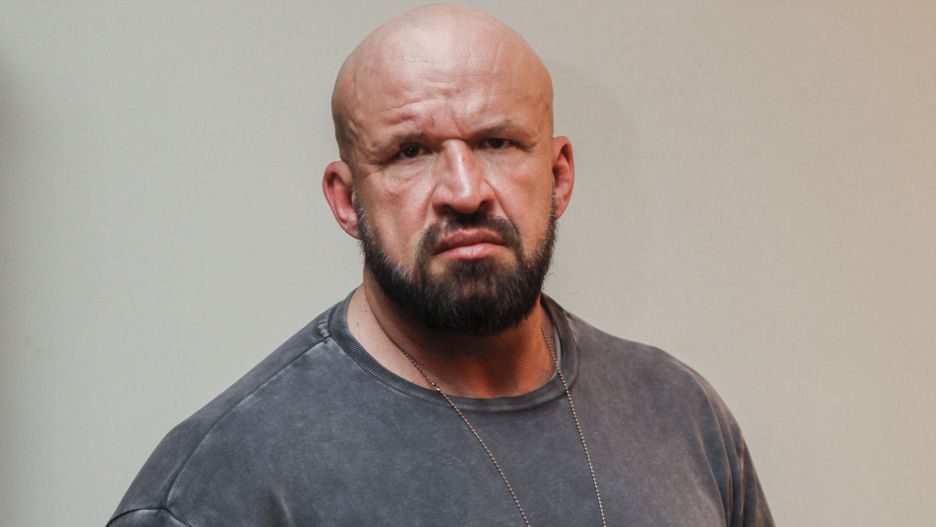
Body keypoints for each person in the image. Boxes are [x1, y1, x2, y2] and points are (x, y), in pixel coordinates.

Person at [108, 5, 774, 526]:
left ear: (559, 175)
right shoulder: (221, 486)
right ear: (345, 200)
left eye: (497, 142)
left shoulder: (679, 413)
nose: (464, 190)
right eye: (410, 152)